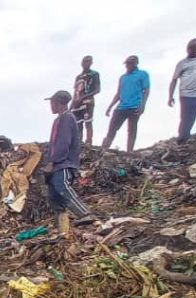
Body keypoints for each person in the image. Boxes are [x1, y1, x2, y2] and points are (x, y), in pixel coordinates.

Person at [42, 90, 92, 234]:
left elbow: (63, 142)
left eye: (52, 103)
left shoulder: (67, 118)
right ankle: (62, 229)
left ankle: (85, 214)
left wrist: (53, 161)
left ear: (58, 103)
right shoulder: (59, 119)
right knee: (54, 197)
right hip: (57, 164)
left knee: (62, 186)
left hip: (64, 163)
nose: (51, 106)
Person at [101, 56, 150, 154]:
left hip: (134, 106)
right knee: (112, 128)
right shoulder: (123, 78)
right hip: (121, 107)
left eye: (130, 63)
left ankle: (129, 152)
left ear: (135, 63)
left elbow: (146, 90)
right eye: (127, 64)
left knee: (132, 130)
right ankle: (104, 149)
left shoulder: (142, 74)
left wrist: (142, 105)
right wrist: (110, 107)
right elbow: (118, 93)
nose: (128, 66)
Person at [72, 56, 101, 145]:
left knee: (88, 122)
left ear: (91, 63)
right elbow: (75, 91)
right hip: (77, 104)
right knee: (78, 124)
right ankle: (79, 144)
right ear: (81, 63)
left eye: (88, 62)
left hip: (88, 102)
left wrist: (84, 96)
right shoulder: (78, 77)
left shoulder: (94, 74)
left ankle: (88, 143)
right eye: (84, 61)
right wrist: (72, 104)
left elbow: (97, 89)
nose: (86, 63)